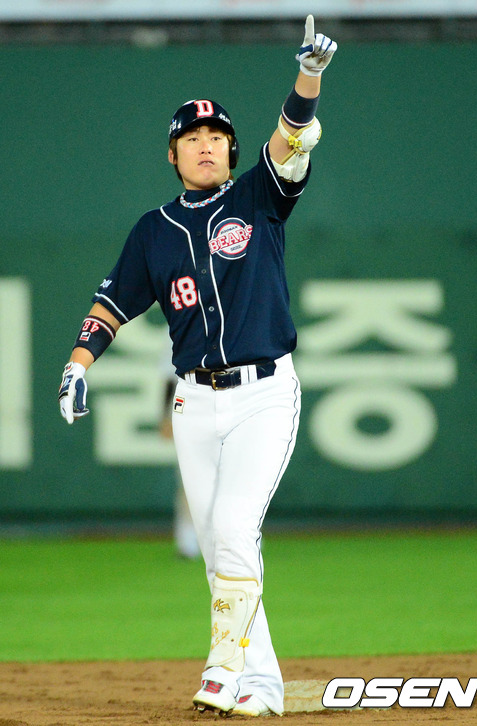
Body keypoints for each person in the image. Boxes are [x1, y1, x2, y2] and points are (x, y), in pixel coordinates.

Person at [58, 15, 336, 718]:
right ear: (173, 155)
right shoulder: (152, 231)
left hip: (263, 394)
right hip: (194, 402)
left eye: (216, 136)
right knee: (217, 548)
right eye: (191, 138)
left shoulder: (259, 197)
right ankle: (263, 686)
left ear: (232, 151)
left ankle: (221, 669)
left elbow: (292, 137)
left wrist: (307, 78)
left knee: (236, 529)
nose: (205, 144)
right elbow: (111, 306)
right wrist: (78, 363)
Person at [158, 331, 200, 559]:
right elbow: (170, 376)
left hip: (232, 407)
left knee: (234, 478)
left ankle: (243, 538)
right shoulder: (180, 323)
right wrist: (166, 416)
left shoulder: (238, 318)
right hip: (190, 410)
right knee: (190, 480)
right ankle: (188, 541)